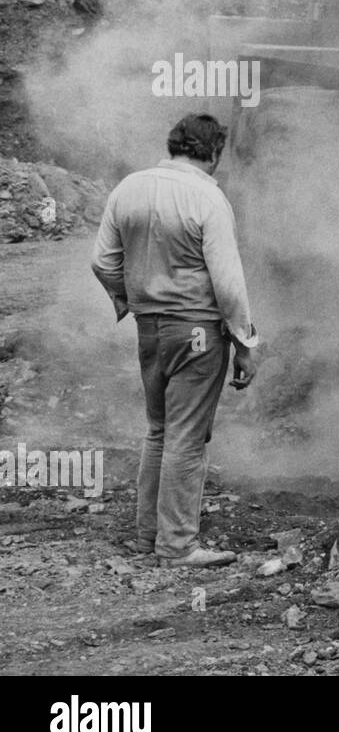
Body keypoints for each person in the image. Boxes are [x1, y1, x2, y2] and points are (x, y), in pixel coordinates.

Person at [91, 113, 258, 568]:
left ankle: (149, 535)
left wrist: (131, 301)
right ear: (213, 153)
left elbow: (102, 261)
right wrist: (245, 342)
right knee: (186, 437)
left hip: (149, 327)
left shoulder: (129, 188)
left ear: (173, 145)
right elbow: (227, 282)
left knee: (159, 431)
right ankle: (178, 545)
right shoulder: (208, 196)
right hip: (198, 330)